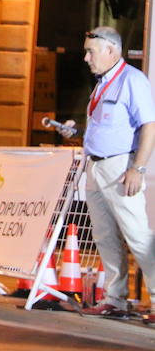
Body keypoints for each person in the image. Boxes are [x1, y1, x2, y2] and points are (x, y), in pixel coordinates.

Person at [56, 27, 155, 320]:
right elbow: (108, 129)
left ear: (111, 51)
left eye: (91, 51)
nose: (86, 58)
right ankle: (115, 298)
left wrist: (137, 168)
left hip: (120, 167)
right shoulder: (102, 83)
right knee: (104, 236)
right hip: (96, 166)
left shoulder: (132, 80)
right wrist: (76, 132)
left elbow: (149, 126)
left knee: (137, 235)